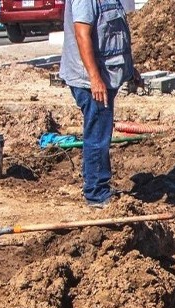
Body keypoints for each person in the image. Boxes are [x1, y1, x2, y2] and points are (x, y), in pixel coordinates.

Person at [60, 0, 140, 208]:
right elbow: (82, 34)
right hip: (91, 81)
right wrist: (95, 78)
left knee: (98, 132)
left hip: (106, 76)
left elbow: (116, 33)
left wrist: (130, 70)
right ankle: (96, 194)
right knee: (98, 135)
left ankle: (95, 185)